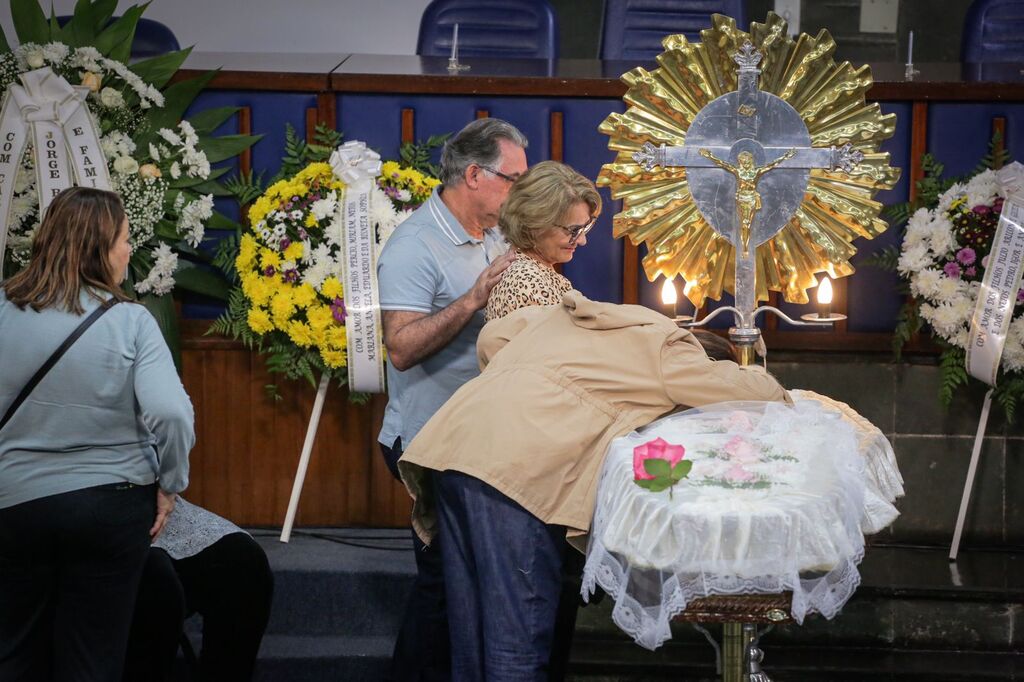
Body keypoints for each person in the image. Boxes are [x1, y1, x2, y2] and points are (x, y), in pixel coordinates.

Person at [398, 291, 790, 680]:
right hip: (514, 469)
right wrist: (757, 375)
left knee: (471, 643)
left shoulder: (588, 317)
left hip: (454, 445)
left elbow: (493, 337)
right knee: (516, 646)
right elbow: (760, 395)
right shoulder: (672, 350)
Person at [0, 186, 193, 682]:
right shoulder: (131, 321)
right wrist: (171, 483)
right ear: (98, 248)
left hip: (14, 503)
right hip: (111, 505)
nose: (130, 250)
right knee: (92, 661)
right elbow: (171, 414)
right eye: (124, 240)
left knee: (14, 653)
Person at [376, 117, 528, 680]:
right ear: (474, 175)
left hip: (476, 439)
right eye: (513, 179)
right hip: (428, 440)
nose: (519, 190)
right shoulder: (414, 245)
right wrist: (471, 299)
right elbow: (400, 348)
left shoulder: (494, 229)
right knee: (441, 585)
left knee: (464, 585)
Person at [122, 498, 273, 682]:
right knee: (157, 584)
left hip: (152, 502)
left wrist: (167, 487)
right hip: (93, 507)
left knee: (245, 562)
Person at [485, 160, 601, 321]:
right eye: (574, 230)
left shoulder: (534, 272)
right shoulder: (526, 282)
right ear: (534, 224)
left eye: (585, 228)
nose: (582, 241)